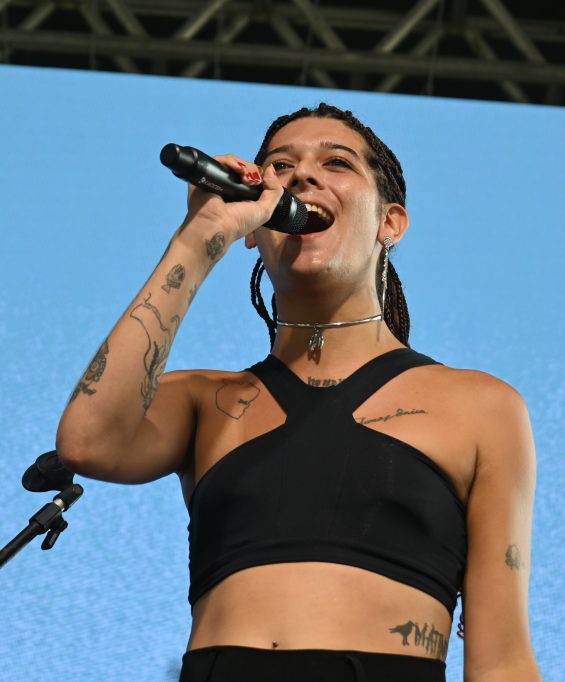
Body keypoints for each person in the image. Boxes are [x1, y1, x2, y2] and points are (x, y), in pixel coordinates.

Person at [56, 103, 541, 682]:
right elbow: (88, 443)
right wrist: (200, 237)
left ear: (390, 223)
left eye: (336, 163)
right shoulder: (205, 400)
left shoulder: (481, 407)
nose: (303, 175)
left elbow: (503, 659)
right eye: (280, 166)